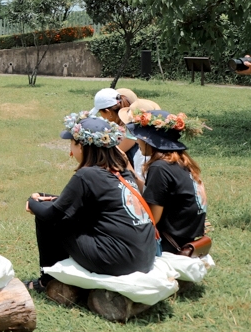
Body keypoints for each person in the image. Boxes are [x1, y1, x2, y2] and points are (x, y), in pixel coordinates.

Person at [25, 113, 157, 292]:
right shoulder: (122, 172)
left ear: (81, 145)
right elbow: (85, 201)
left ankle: (47, 281)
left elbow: (51, 215)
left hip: (118, 260)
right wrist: (45, 197)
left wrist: (32, 202)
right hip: (144, 258)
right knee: (57, 211)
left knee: (49, 219)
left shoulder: (86, 175)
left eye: (72, 142)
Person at [127, 109, 210, 255]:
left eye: (140, 137)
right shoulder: (182, 162)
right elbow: (155, 194)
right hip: (187, 238)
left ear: (150, 140)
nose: (137, 141)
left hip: (169, 244)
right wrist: (130, 171)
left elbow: (152, 218)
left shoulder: (159, 168)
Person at [91, 87, 139, 170]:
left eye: (100, 112)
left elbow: (110, 156)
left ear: (108, 112)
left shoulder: (130, 130)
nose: (101, 116)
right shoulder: (124, 124)